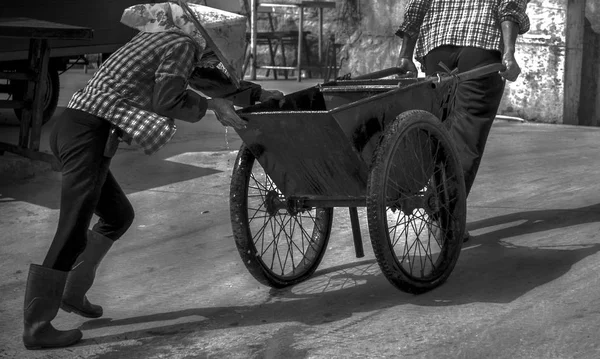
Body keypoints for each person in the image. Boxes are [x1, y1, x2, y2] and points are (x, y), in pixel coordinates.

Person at [22, 3, 283, 350]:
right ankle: (37, 327)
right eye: (215, 51)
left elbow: (214, 83)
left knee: (118, 216)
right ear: (207, 41)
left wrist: (260, 95)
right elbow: (168, 99)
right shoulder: (183, 46)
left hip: (77, 127)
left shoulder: (164, 39)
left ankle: (74, 290)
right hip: (86, 133)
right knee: (72, 226)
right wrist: (210, 107)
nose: (212, 59)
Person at [395, 0, 530, 241]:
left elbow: (416, 6)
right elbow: (509, 6)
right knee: (468, 132)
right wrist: (509, 52)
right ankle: (444, 214)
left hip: (437, 48)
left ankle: (440, 203)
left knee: (441, 130)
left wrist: (405, 54)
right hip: (481, 46)